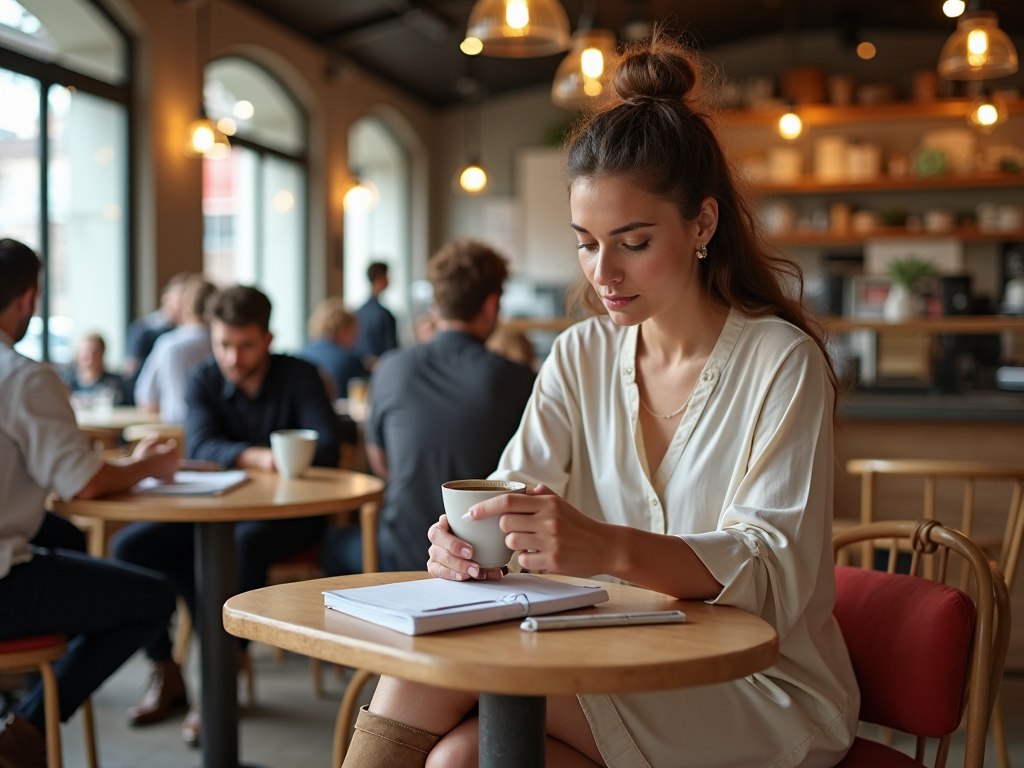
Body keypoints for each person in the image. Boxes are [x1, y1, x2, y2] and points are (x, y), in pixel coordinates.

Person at [341, 35, 859, 768]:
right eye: (586, 243)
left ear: (702, 224)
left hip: (757, 683)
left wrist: (604, 546)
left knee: (462, 685)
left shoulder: (782, 362)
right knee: (457, 758)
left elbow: (771, 578)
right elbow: (513, 493)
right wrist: (466, 542)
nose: (604, 272)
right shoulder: (582, 353)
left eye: (633, 241)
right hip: (612, 650)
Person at [112, 285, 341, 746]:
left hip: (290, 516)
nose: (233, 358)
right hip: (217, 513)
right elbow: (199, 445)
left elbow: (329, 446)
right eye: (223, 345)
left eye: (245, 345)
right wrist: (259, 457)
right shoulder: (203, 379)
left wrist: (241, 456)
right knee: (131, 546)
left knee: (238, 549)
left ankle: (216, 685)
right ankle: (167, 668)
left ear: (268, 338)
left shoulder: (300, 376)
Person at [0, 238, 179, 768]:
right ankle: (25, 732)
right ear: (28, 300)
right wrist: (151, 464)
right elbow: (86, 484)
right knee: (154, 597)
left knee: (68, 538)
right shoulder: (22, 377)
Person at [320, 239, 535, 577]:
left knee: (333, 545)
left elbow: (383, 465)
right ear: (492, 305)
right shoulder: (520, 380)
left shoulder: (389, 368)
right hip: (483, 563)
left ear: (435, 307)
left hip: (398, 556)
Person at [134, 276, 218, 423]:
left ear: (185, 307)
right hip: (219, 432)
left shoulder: (168, 344)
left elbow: (146, 399)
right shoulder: (224, 345)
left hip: (176, 434)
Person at [123, 272, 190, 390]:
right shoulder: (143, 329)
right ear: (166, 298)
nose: (185, 306)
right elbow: (131, 372)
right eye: (180, 300)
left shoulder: (187, 332)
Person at [298, 297, 367, 400]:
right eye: (354, 332)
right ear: (344, 330)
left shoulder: (302, 353)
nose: (356, 339)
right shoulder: (350, 360)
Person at [62, 333, 129, 406]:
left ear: (102, 354)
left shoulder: (115, 383)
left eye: (94, 351)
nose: (88, 354)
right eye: (85, 350)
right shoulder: (65, 381)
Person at [354, 261, 398, 369]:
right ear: (380, 277)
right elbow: (391, 351)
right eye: (387, 276)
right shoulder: (383, 314)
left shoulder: (360, 312)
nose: (389, 280)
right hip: (382, 369)